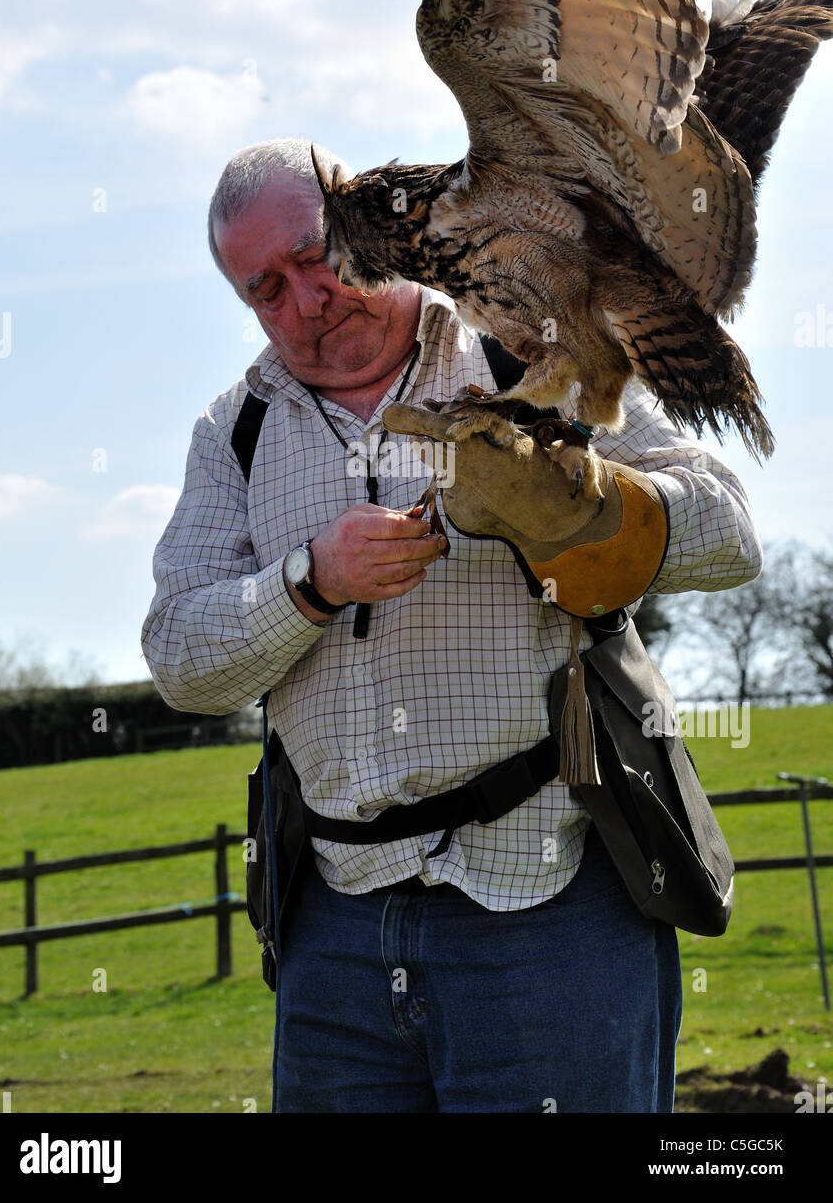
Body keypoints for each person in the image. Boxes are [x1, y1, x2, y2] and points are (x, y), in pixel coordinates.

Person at [141, 136, 763, 1114]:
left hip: (549, 899)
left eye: (315, 255)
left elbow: (727, 532)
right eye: (265, 288)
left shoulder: (527, 347)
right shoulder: (236, 432)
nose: (305, 300)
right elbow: (181, 659)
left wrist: (572, 500)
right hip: (333, 928)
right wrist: (310, 583)